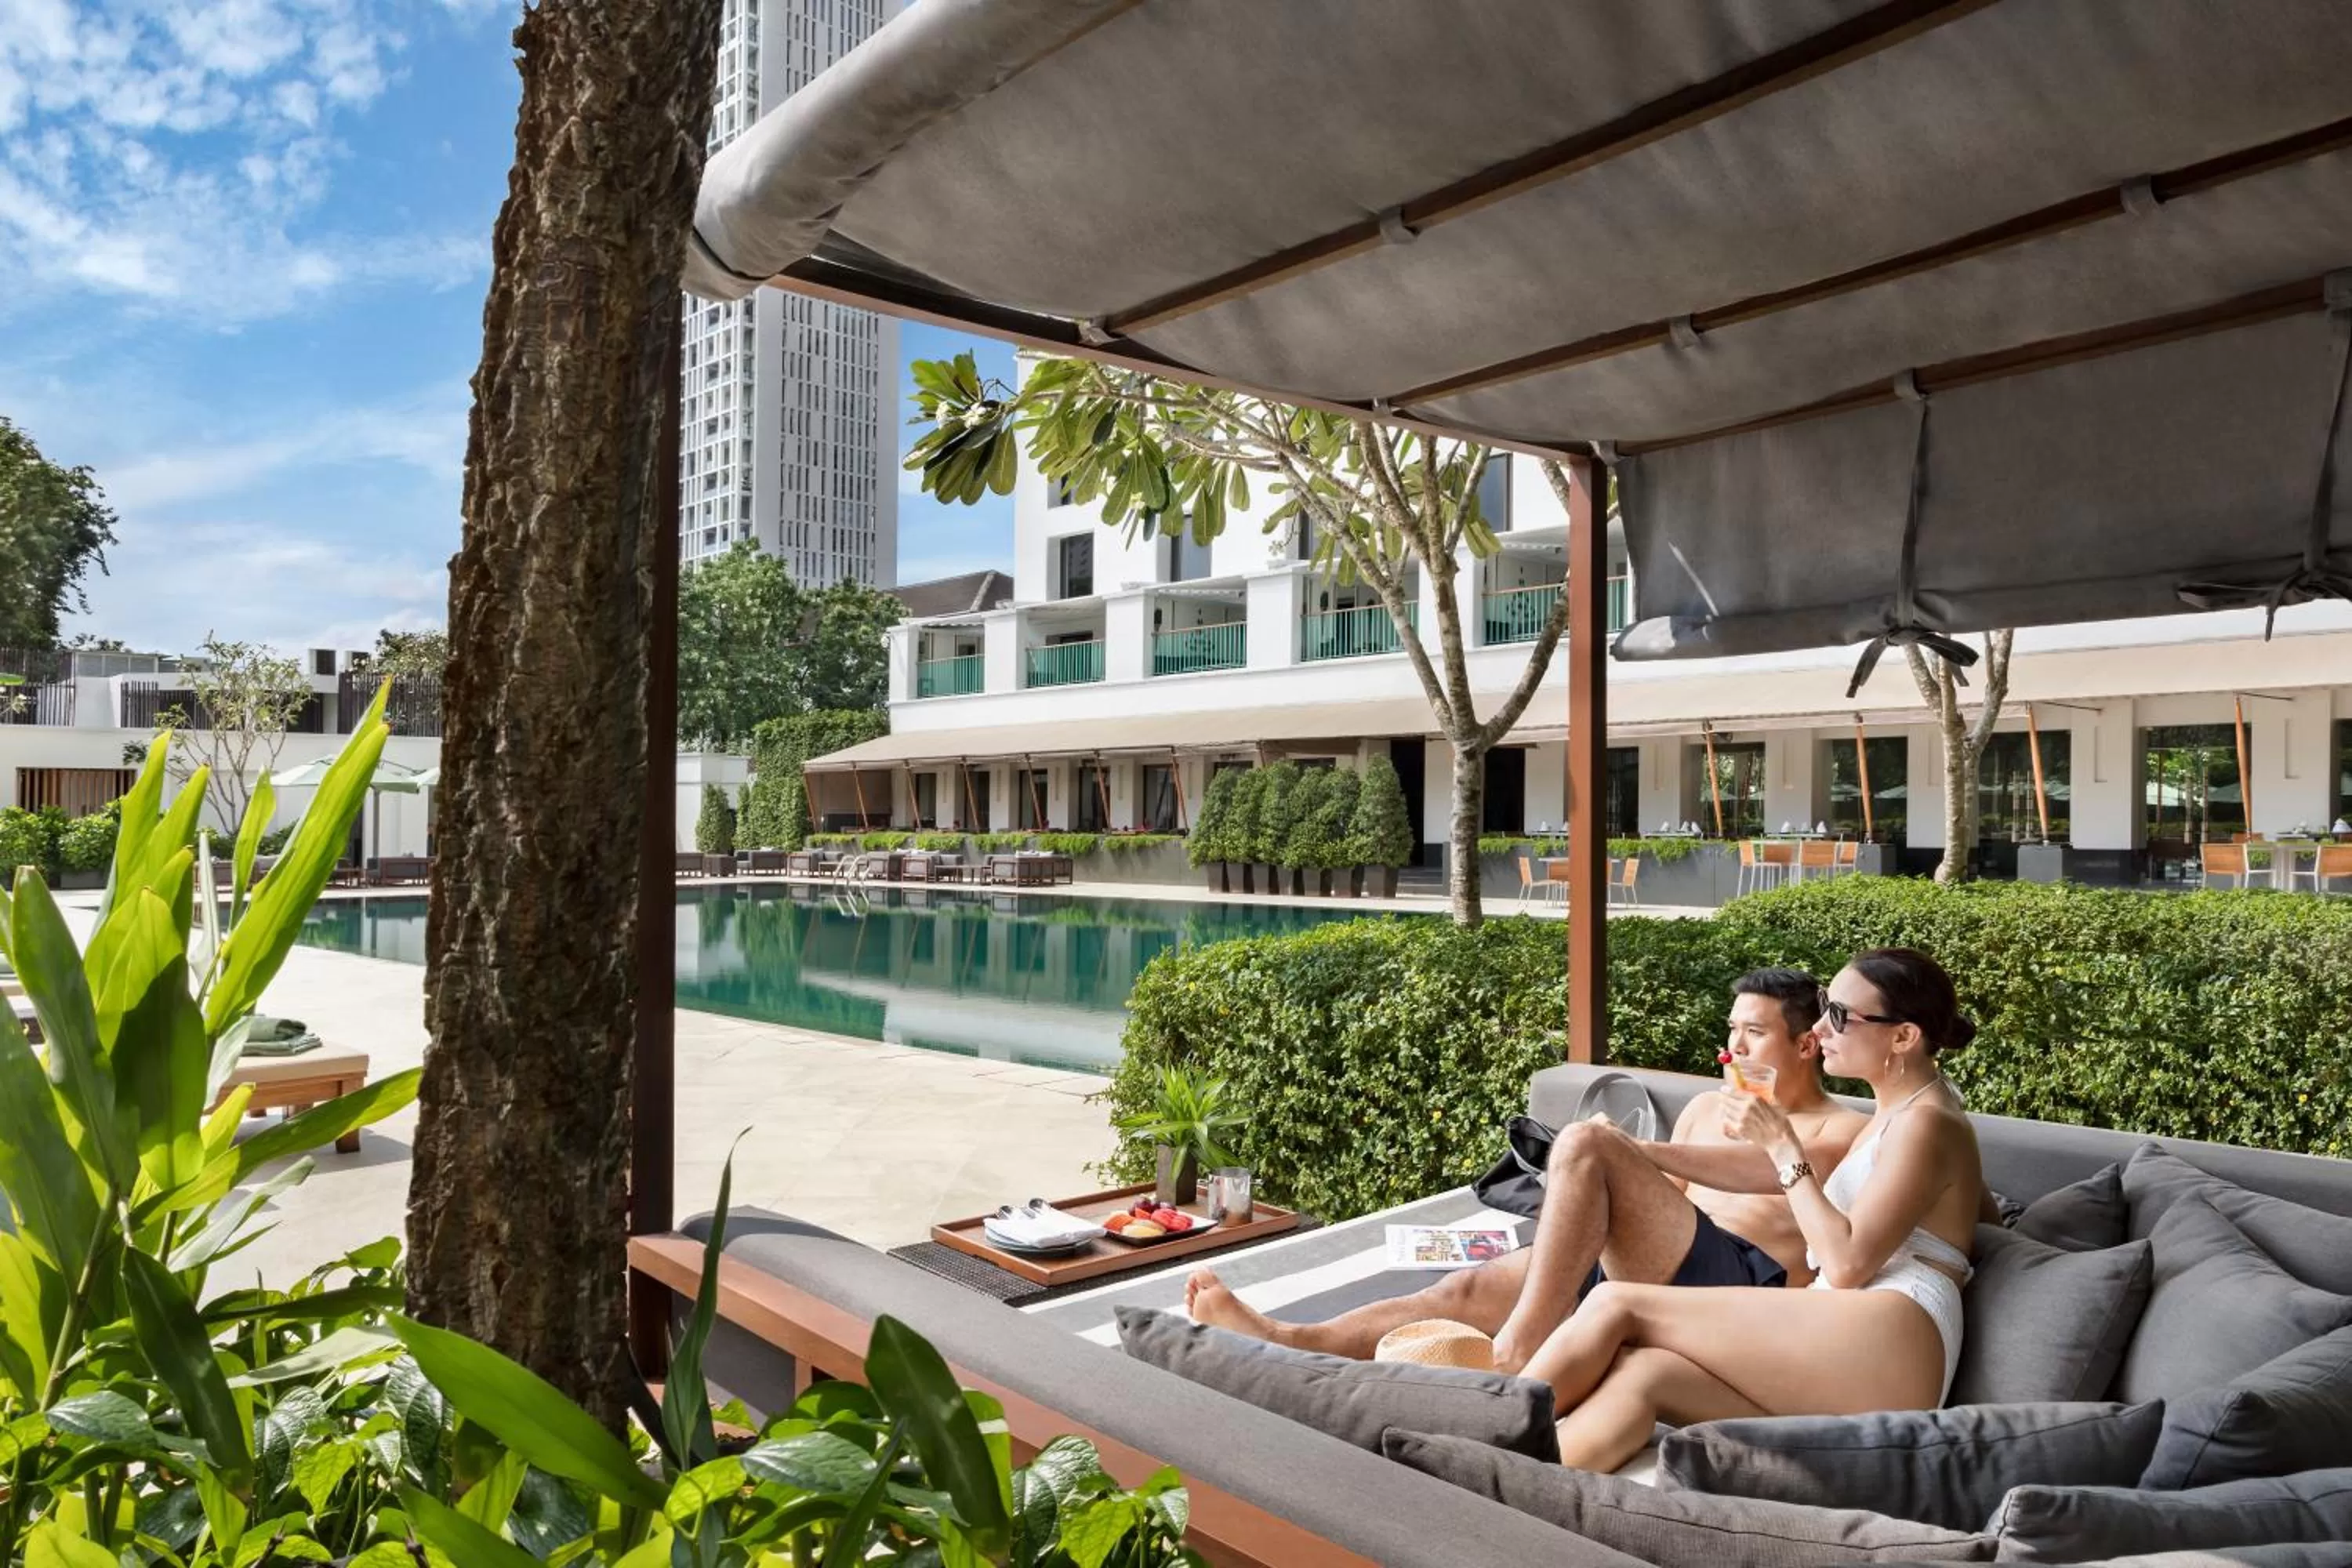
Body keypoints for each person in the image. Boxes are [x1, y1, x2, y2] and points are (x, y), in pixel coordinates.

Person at [1185, 968, 1869, 1367]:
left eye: (1753, 1033)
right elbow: (1660, 1211)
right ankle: (1285, 1340)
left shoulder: (1843, 1129)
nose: (1733, 1047)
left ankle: (1519, 1352)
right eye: (1730, 1029)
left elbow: (1772, 1177)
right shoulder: (1701, 1111)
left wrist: (1616, 1153)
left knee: (1588, 1145)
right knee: (1462, 1291)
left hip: (1743, 1287)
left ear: (1807, 1044)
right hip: (1658, 1265)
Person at [1521, 948, 1985, 1472]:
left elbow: (1849, 1265)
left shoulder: (1927, 1121)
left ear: (1903, 1037)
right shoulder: (1909, 1108)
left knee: (1616, 1305)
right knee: (1647, 1373)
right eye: (1823, 1006)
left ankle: (1486, 1423)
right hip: (1863, 1331)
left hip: (1891, 1333)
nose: (1820, 1029)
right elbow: (1971, 1211)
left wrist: (1784, 1146)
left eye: (1838, 1015)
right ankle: (1506, 1482)